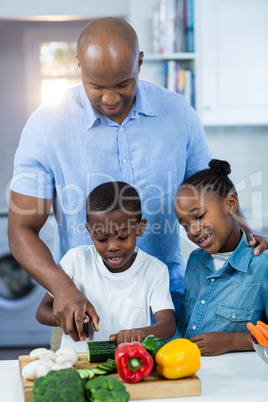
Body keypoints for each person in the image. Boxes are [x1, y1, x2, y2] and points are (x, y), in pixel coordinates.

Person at [8, 17, 267, 343]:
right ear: (78, 66)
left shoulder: (178, 114)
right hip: (83, 316)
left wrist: (248, 234)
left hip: (168, 308)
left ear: (140, 62)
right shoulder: (45, 126)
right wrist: (62, 287)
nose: (110, 98)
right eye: (97, 86)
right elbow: (20, 229)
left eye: (123, 84)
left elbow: (211, 193)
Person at [36, 181, 176, 352]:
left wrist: (138, 333)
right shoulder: (75, 260)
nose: (112, 247)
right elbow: (42, 312)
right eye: (101, 239)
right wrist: (74, 319)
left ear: (140, 228)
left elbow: (168, 325)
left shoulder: (154, 270)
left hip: (128, 362)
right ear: (89, 232)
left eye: (123, 236)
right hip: (76, 361)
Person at [174, 159, 268, 356]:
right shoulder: (195, 261)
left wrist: (231, 341)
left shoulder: (262, 266)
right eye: (185, 226)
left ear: (230, 204)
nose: (193, 230)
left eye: (199, 216)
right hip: (190, 372)